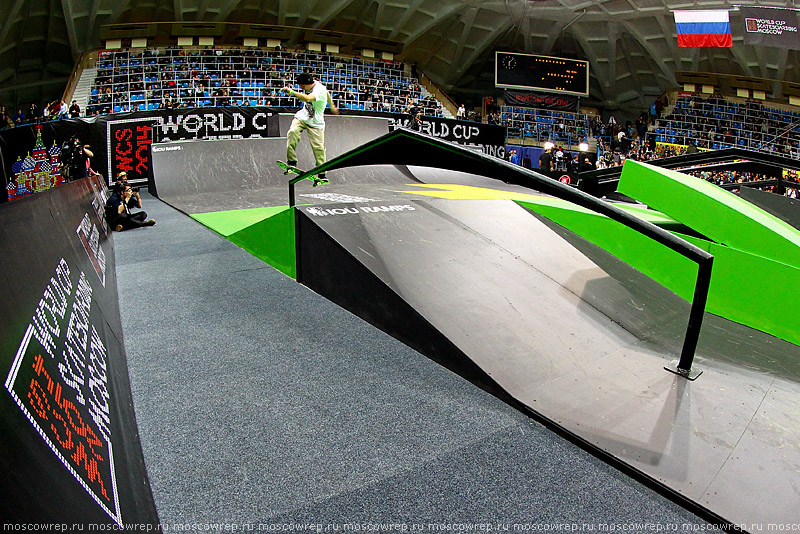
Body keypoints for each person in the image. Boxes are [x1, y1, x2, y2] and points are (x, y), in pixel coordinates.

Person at [281, 72, 339, 179]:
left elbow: (308, 98)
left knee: (319, 148)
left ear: (304, 85)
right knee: (292, 132)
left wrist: (292, 91)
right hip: (302, 117)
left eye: (302, 87)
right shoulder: (316, 83)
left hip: (316, 123)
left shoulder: (318, 90)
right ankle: (292, 161)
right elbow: (328, 92)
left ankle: (322, 172)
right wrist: (332, 105)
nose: (302, 89)